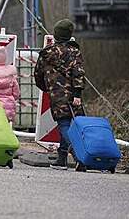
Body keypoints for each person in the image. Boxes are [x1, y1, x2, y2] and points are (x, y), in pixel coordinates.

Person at [34, 19, 85, 171]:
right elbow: (79, 74)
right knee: (70, 125)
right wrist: (77, 94)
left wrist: (47, 88)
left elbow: (38, 74)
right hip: (74, 95)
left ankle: (78, 156)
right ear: (70, 35)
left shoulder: (46, 53)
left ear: (55, 34)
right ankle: (62, 159)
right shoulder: (75, 52)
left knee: (64, 124)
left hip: (56, 94)